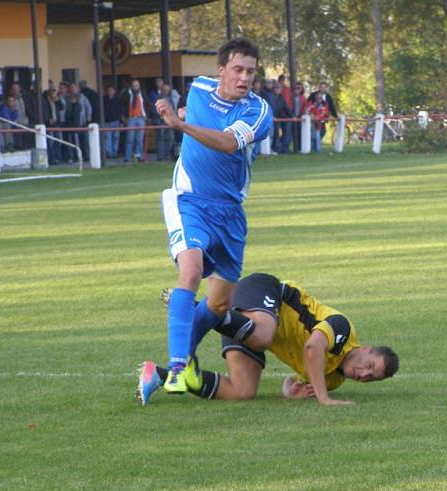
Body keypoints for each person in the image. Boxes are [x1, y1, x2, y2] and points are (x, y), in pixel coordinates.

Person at [151, 38, 273, 394]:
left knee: (219, 304)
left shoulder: (258, 111)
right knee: (189, 270)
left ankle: (182, 362)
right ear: (220, 70)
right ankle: (177, 367)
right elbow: (195, 112)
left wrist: (180, 124)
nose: (245, 77)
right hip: (189, 200)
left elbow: (227, 142)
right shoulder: (199, 87)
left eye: (250, 71)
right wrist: (183, 117)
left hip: (230, 214)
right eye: (238, 69)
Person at [137, 273, 400, 406]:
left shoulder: (333, 379)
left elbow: (292, 382)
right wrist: (323, 399)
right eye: (370, 365)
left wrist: (290, 391)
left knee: (243, 392)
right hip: (265, 292)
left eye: (371, 378)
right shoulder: (342, 330)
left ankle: (157, 374)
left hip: (246, 330)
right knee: (264, 335)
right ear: (365, 349)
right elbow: (313, 347)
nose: (364, 374)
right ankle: (190, 305)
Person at [121, 79, 150, 162]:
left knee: (139, 139)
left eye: (136, 85)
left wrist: (147, 115)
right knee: (130, 138)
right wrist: (123, 116)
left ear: (139, 86)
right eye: (133, 85)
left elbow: (148, 104)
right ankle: (127, 157)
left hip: (141, 118)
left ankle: (139, 156)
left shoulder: (142, 93)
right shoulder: (127, 94)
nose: (135, 87)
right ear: (131, 86)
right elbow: (122, 105)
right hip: (131, 118)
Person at [102, 85, 121, 159]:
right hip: (107, 121)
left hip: (116, 121)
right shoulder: (104, 99)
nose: (110, 92)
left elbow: (120, 110)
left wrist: (120, 120)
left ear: (114, 91)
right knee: (107, 138)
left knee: (116, 138)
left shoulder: (118, 99)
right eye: (108, 90)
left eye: (111, 90)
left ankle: (115, 153)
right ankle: (109, 153)